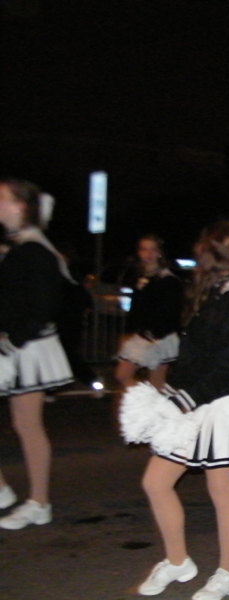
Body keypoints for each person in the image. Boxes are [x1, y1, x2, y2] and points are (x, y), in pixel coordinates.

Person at [126, 229, 229, 599]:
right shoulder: (215, 298)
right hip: (194, 401)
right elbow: (196, 358)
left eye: (200, 257)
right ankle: (178, 561)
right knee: (156, 482)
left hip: (223, 405)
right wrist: (172, 395)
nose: (196, 265)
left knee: (222, 492)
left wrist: (182, 399)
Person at [0, 178, 73, 530]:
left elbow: (44, 305)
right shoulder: (20, 247)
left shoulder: (35, 250)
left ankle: (39, 501)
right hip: (17, 343)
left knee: (27, 425)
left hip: (26, 347)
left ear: (20, 206)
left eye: (2, 198)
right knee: (25, 424)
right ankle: (9, 493)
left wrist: (13, 340)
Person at [115, 234, 183, 390]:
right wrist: (131, 331)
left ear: (159, 252)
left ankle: (151, 406)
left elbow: (171, 313)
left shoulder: (168, 280)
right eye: (145, 250)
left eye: (153, 250)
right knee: (152, 384)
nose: (149, 254)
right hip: (143, 336)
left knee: (152, 382)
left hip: (159, 337)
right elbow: (137, 309)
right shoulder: (141, 276)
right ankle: (149, 405)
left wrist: (155, 334)